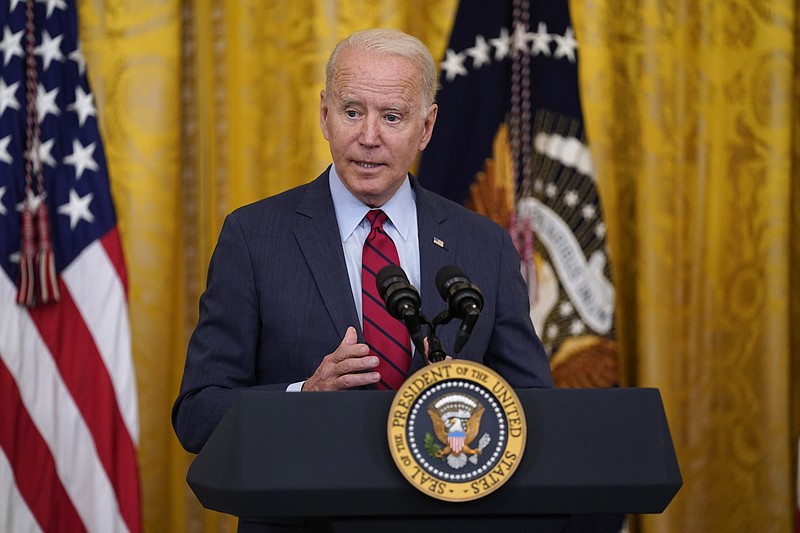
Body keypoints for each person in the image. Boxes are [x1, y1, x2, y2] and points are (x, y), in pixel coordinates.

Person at [172, 28, 553, 530]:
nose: (368, 136)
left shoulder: (482, 244)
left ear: (426, 127)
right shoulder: (254, 236)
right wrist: (302, 399)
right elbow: (198, 413)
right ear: (324, 114)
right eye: (352, 112)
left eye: (392, 117)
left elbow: (534, 407)